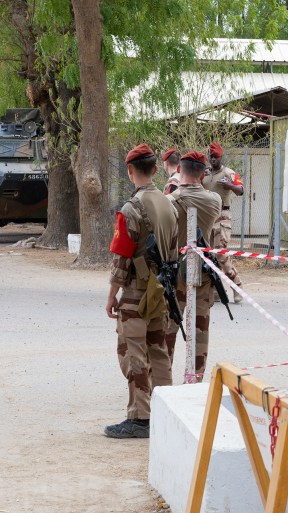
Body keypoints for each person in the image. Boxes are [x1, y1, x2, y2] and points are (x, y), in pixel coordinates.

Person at [104, 143, 179, 439]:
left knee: (132, 350)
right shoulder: (169, 203)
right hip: (162, 287)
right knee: (158, 349)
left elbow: (121, 257)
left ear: (130, 170)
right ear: (156, 169)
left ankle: (140, 417)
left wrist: (112, 295)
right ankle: (164, 410)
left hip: (138, 288)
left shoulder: (131, 208)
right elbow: (175, 248)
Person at [164, 151, 222, 382]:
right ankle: (195, 377)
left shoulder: (169, 200)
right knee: (200, 327)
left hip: (175, 268)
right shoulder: (214, 200)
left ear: (179, 169)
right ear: (202, 173)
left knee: (168, 325)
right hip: (203, 269)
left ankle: (162, 375)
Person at [201, 141, 244, 303]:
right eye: (211, 157)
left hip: (222, 216)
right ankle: (216, 291)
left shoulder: (228, 173)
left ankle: (237, 285)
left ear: (221, 157)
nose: (213, 160)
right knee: (208, 255)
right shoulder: (203, 174)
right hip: (207, 217)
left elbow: (240, 191)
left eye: (216, 157)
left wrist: (230, 185)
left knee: (220, 253)